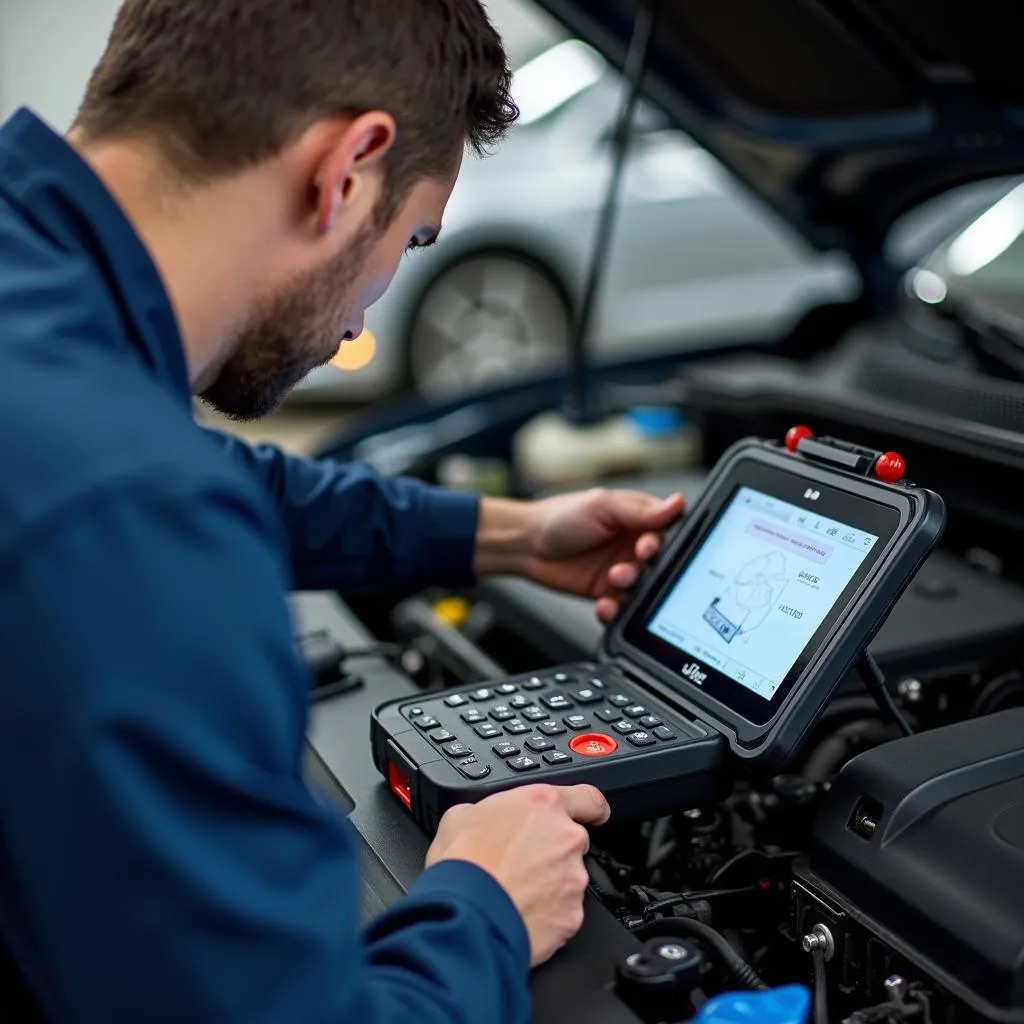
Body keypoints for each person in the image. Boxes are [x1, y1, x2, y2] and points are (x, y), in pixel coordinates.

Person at [0, 2, 686, 1021]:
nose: (365, 316)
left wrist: (510, 536)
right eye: (411, 237)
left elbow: (228, 482)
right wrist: (486, 902)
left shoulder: (38, 302)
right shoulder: (134, 516)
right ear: (349, 169)